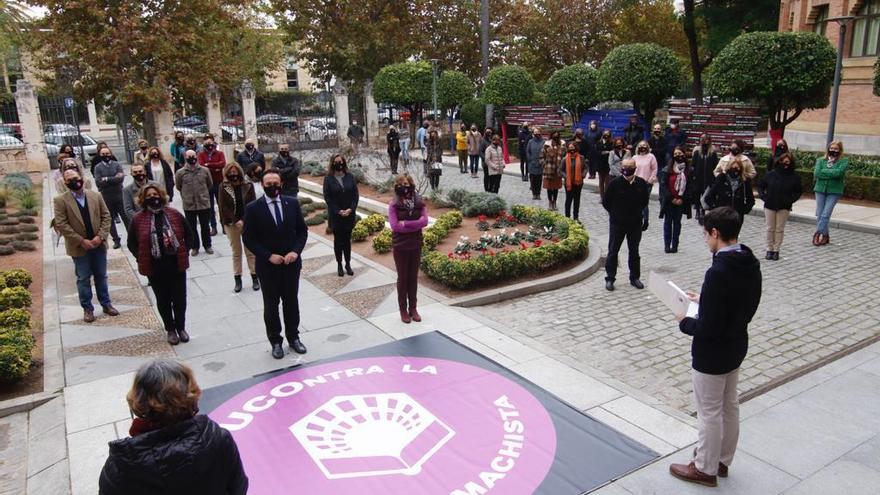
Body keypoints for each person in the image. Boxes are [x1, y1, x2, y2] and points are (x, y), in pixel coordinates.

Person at [670, 206, 761, 488]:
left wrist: (684, 320)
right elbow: (743, 302)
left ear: (716, 233)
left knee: (709, 411)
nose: (706, 240)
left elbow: (708, 327)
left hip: (712, 352)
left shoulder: (719, 271)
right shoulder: (749, 260)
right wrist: (704, 299)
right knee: (729, 406)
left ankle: (704, 468)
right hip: (736, 344)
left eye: (706, 234)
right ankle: (722, 460)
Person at [98, 359, 248, 495]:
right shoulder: (217, 438)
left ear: (138, 400)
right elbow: (238, 487)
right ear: (191, 394)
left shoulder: (122, 464)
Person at [242, 170, 308, 359]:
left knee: (291, 302)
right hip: (268, 266)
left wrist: (295, 251)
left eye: (275, 183)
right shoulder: (254, 208)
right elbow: (248, 238)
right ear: (262, 185)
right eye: (268, 183)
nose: (272, 186)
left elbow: (302, 231)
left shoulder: (292, 203)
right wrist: (268, 255)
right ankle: (276, 341)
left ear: (281, 184)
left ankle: (294, 337)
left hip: (291, 264)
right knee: (271, 306)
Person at [127, 185, 193, 345]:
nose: (153, 197)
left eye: (155, 194)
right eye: (149, 195)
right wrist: (140, 257)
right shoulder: (138, 219)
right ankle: (170, 329)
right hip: (155, 268)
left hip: (175, 264)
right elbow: (132, 243)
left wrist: (183, 251)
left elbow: (188, 234)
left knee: (179, 299)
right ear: (144, 198)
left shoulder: (174, 214)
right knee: (163, 300)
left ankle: (181, 327)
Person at [53, 169, 118, 323]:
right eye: (69, 180)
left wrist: (100, 236)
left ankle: (106, 304)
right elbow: (61, 224)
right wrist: (81, 241)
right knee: (83, 278)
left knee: (101, 275)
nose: (74, 181)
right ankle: (87, 308)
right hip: (79, 247)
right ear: (65, 182)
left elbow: (106, 216)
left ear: (81, 178)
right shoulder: (60, 200)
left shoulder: (95, 195)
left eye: (75, 178)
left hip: (98, 244)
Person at [602, 159, 650, 292]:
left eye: (630, 167)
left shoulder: (641, 183)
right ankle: (610, 278)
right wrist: (616, 213)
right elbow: (606, 202)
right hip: (618, 223)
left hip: (635, 223)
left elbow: (644, 201)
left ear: (635, 168)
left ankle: (635, 277)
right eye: (624, 167)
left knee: (634, 251)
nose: (627, 169)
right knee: (613, 251)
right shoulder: (614, 183)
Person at [388, 174, 428, 324]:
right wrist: (412, 224)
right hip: (400, 245)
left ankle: (413, 308)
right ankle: (403, 310)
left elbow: (424, 221)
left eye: (406, 183)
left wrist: (406, 224)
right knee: (403, 278)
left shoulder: (419, 201)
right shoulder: (394, 204)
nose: (404, 186)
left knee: (413, 277)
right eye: (401, 184)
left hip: (416, 243)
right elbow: (395, 226)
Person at [217, 163, 259, 292]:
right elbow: (223, 207)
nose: (233, 174)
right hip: (231, 223)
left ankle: (255, 277)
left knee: (250, 251)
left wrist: (244, 220)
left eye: (235, 171)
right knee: (236, 252)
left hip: (247, 222)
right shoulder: (223, 187)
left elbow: (252, 203)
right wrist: (235, 221)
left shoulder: (248, 185)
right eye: (231, 172)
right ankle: (237, 278)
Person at [758, 152, 802, 260]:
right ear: (779, 161)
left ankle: (776, 249)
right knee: (770, 228)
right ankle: (769, 248)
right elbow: (761, 186)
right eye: (784, 161)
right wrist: (764, 196)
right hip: (770, 204)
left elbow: (798, 191)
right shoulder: (771, 174)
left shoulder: (794, 176)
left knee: (779, 229)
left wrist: (791, 200)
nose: (785, 164)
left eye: (788, 162)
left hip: (784, 206)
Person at [323, 154, 360, 277]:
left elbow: (355, 195)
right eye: (336, 162)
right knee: (338, 241)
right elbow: (328, 198)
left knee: (347, 241)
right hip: (336, 216)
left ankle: (348, 264)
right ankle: (339, 264)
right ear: (332, 163)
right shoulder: (328, 178)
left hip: (349, 215)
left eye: (341, 161)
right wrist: (338, 211)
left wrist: (351, 209)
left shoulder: (350, 177)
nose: (339, 164)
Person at [175, 150, 213, 256]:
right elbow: (178, 186)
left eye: (193, 156)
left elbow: (209, 184)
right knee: (191, 227)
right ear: (185, 157)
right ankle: (194, 246)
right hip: (189, 204)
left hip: (203, 203)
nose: (191, 158)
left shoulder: (205, 170)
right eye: (189, 156)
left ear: (196, 156)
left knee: (205, 226)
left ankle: (207, 245)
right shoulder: (180, 172)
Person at [812, 140, 848, 246]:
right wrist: (830, 173)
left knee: (825, 214)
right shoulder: (820, 160)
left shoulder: (843, 161)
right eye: (831, 148)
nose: (833, 150)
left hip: (834, 191)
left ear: (840, 150)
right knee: (820, 214)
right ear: (828, 149)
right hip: (820, 190)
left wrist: (825, 172)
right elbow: (817, 173)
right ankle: (826, 235)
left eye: (836, 149)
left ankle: (817, 234)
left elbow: (838, 173)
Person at [659, 147, 694, 253]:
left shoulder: (689, 170)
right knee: (668, 223)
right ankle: (667, 245)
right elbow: (663, 185)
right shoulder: (667, 169)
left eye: (680, 153)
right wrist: (671, 198)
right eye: (676, 153)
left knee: (677, 223)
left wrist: (682, 199)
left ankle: (675, 245)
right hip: (669, 201)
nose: (678, 155)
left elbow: (690, 186)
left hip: (681, 201)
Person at [93, 147, 129, 249]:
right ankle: (116, 240)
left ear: (111, 153)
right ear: (100, 155)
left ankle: (131, 237)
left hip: (119, 195)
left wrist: (107, 179)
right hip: (106, 196)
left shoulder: (116, 164)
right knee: (109, 220)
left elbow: (120, 179)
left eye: (107, 153)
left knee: (126, 218)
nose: (106, 155)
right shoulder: (97, 167)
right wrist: (114, 178)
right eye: (103, 154)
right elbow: (98, 182)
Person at [702, 158, 754, 222]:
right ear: (728, 167)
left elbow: (750, 199)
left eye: (737, 168)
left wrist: (744, 210)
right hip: (721, 216)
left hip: (737, 216)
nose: (735, 170)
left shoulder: (745, 180)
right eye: (733, 167)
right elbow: (709, 197)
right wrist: (717, 209)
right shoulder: (722, 178)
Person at [197, 137, 226, 236]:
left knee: (222, 205)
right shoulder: (201, 154)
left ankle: (224, 226)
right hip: (207, 184)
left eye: (211, 143)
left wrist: (208, 164)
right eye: (207, 143)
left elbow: (222, 164)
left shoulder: (220, 153)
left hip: (219, 183)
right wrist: (215, 167)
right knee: (210, 207)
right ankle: (213, 227)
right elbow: (201, 166)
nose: (209, 145)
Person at [691, 134, 719, 224]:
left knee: (705, 195)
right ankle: (697, 211)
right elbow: (693, 165)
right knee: (697, 193)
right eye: (703, 139)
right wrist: (693, 175)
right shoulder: (697, 152)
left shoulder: (712, 153)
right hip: (698, 177)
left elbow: (715, 166)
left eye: (707, 139)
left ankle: (703, 211)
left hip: (708, 178)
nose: (705, 141)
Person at [633, 140, 658, 231]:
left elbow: (655, 169)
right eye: (640, 145)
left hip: (647, 183)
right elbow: (633, 169)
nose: (642, 147)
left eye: (644, 145)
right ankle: (637, 219)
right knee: (636, 202)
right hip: (636, 183)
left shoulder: (651, 157)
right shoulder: (635, 157)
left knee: (644, 202)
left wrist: (651, 180)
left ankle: (646, 221)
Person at [560, 141, 587, 221]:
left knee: (577, 200)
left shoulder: (581, 158)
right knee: (568, 200)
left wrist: (583, 175)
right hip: (569, 183)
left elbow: (585, 167)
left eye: (573, 148)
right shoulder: (565, 159)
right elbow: (560, 170)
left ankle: (576, 217)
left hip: (578, 182)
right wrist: (566, 176)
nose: (572, 149)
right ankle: (567, 217)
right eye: (570, 148)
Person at [541, 131, 564, 211]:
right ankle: (550, 202)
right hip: (549, 169)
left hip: (557, 170)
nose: (555, 138)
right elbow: (541, 156)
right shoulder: (546, 145)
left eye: (557, 136)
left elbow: (564, 156)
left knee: (556, 188)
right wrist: (545, 165)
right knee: (549, 187)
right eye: (554, 136)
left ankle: (555, 202)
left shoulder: (562, 146)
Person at [526, 127, 545, 200]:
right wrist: (530, 160)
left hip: (540, 164)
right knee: (533, 179)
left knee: (539, 180)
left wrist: (542, 161)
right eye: (535, 133)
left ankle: (538, 194)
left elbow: (545, 152)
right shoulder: (530, 141)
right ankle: (534, 194)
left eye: (538, 133)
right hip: (532, 163)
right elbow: (528, 151)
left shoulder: (543, 142)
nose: (536, 134)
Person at [479, 128, 493, 192]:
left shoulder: (491, 140)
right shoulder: (483, 141)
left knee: (491, 176)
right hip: (485, 163)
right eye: (488, 132)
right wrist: (485, 159)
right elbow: (480, 152)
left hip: (492, 162)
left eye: (490, 132)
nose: (489, 133)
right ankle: (486, 189)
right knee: (487, 176)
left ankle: (491, 188)